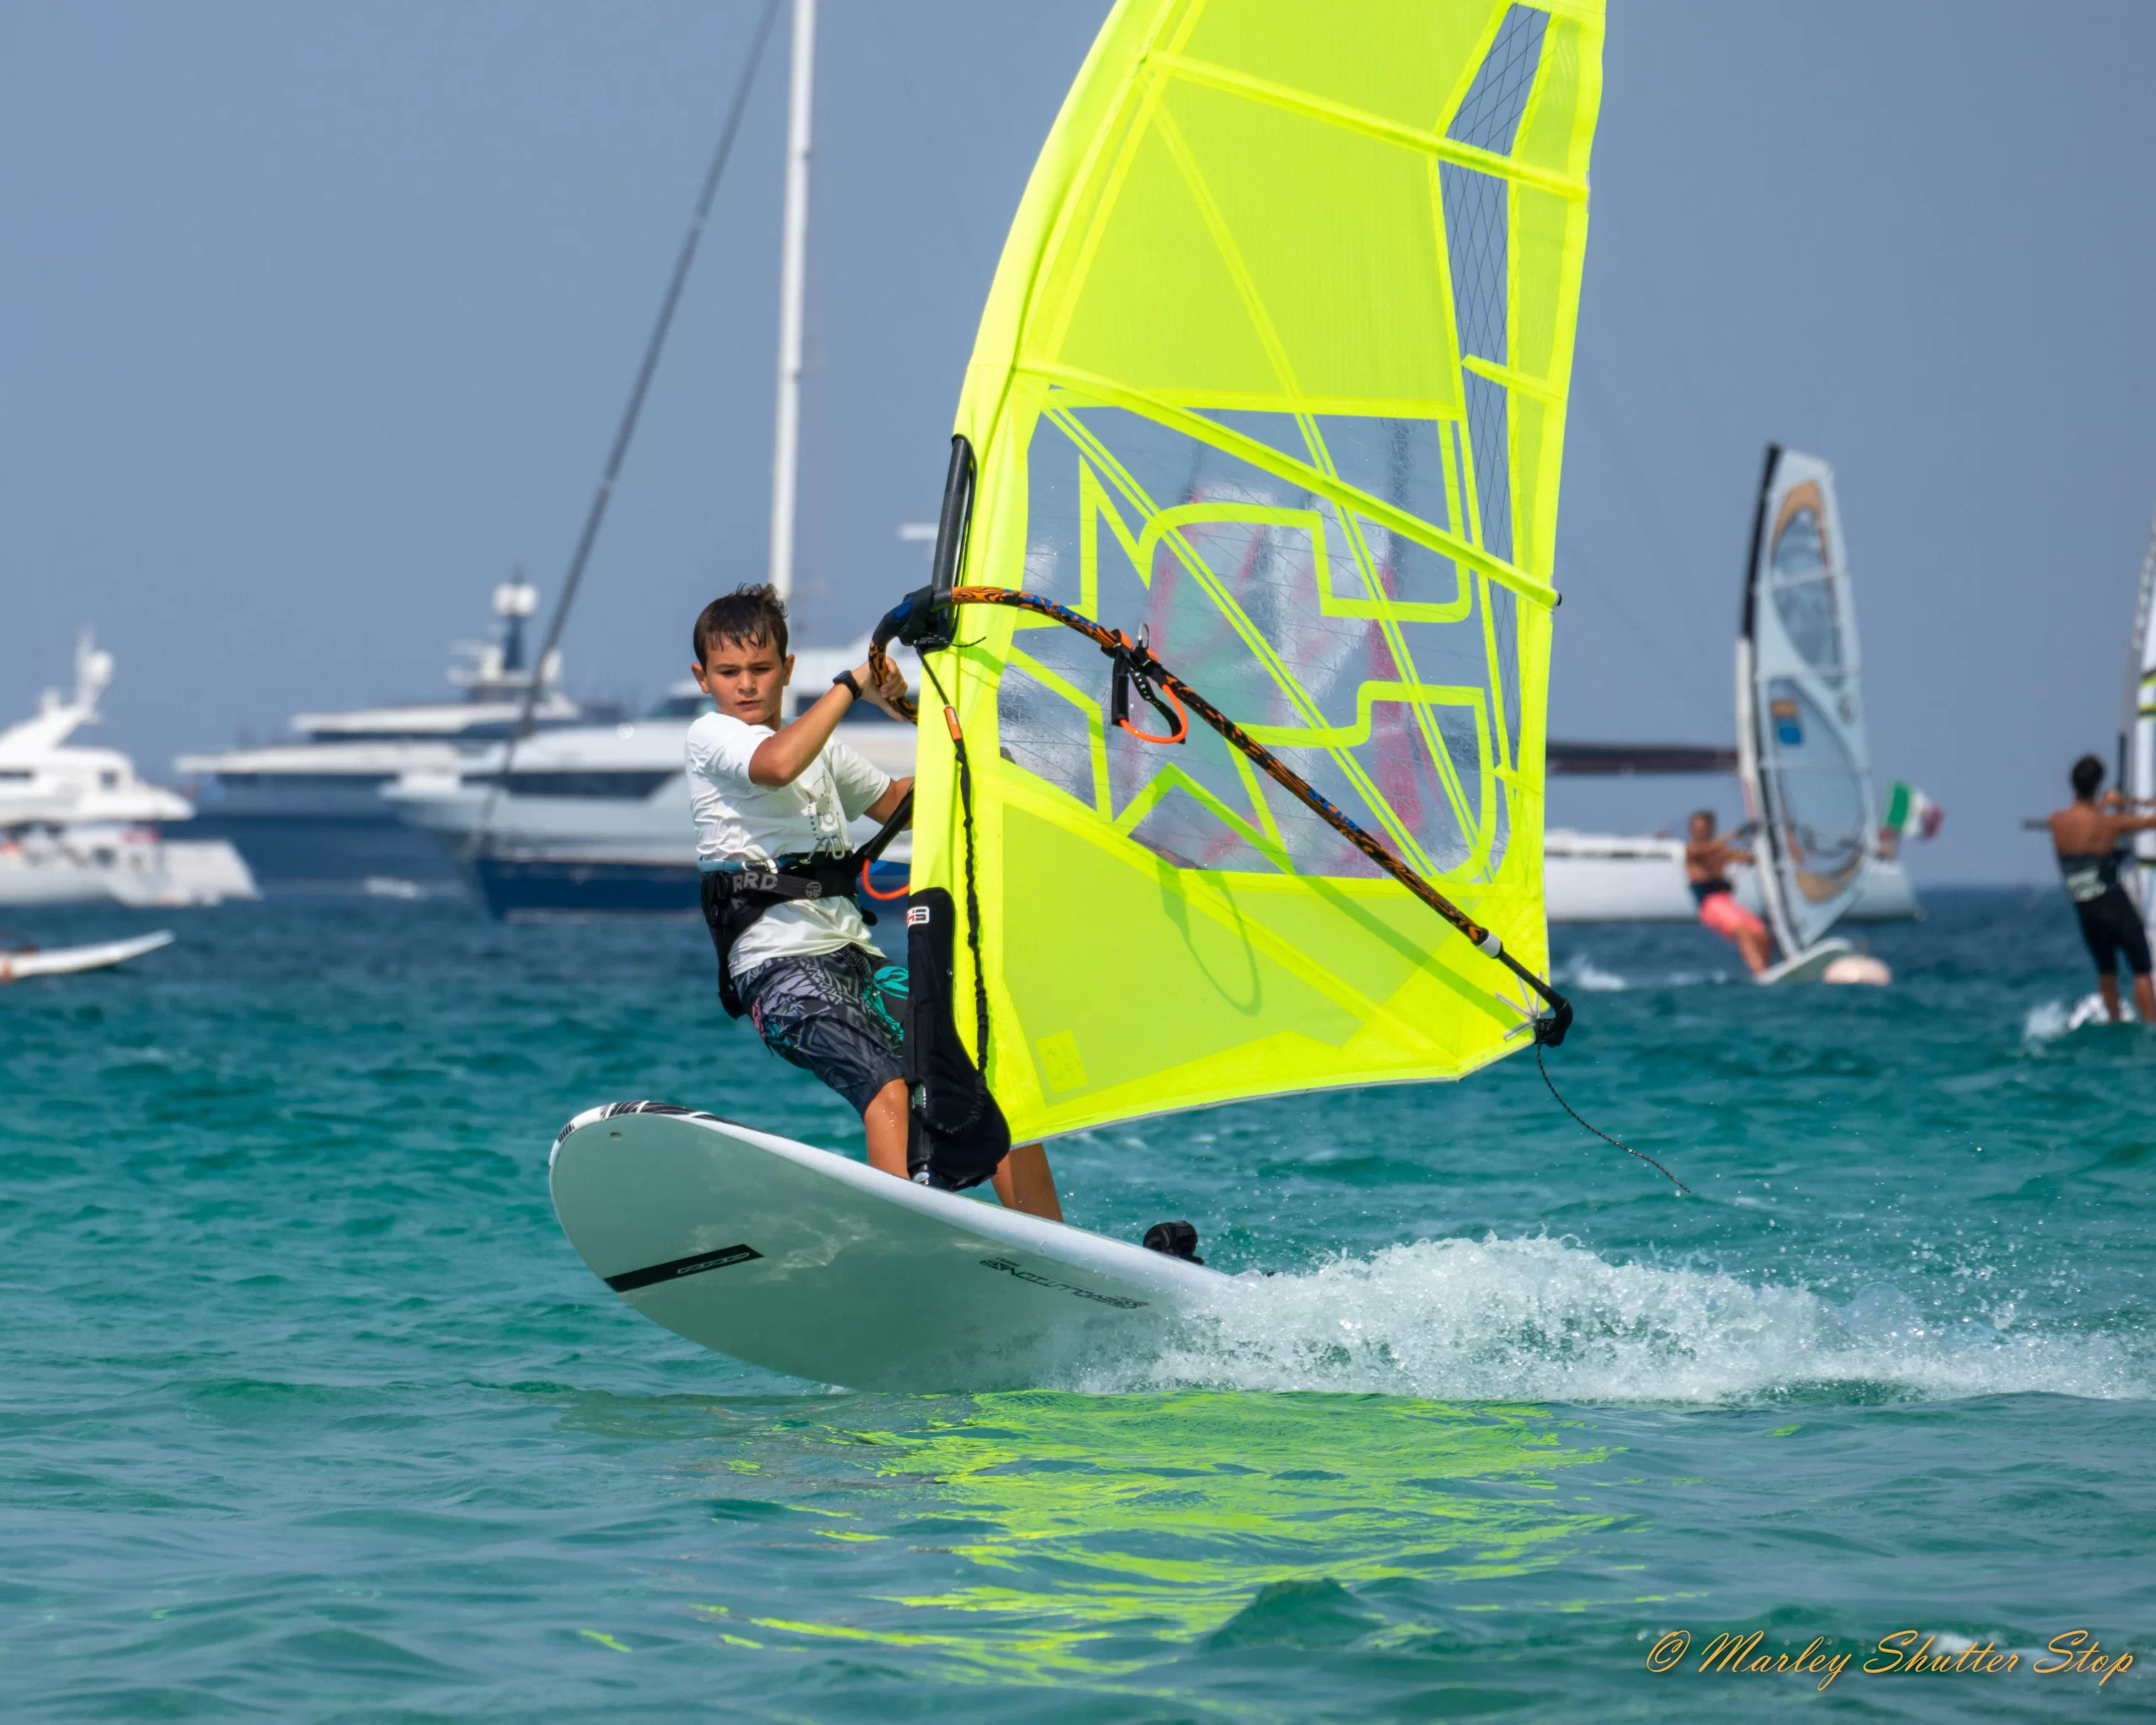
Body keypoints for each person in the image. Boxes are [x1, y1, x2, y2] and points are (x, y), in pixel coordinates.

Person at [684, 583, 1063, 1218]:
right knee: (887, 1086)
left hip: (852, 955)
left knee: (983, 1072)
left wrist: (996, 758)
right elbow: (776, 764)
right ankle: (915, 1233)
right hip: (778, 971)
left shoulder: (821, 749)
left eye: (760, 669)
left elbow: (898, 804)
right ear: (703, 679)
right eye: (729, 673)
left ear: (786, 670)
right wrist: (854, 683)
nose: (746, 685)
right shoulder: (712, 736)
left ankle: (1053, 1243)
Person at [2047, 753, 2156, 1023]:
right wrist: (2123, 802)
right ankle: (2152, 1024)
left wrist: (2103, 805)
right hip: (2113, 902)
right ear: (2098, 786)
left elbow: (2084, 822)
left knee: (2106, 970)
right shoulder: (2108, 822)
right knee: (2142, 967)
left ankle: (2114, 1022)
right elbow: (2149, 821)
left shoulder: (2056, 821)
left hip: (2085, 908)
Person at [1684, 809, 1772, 976]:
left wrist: (1761, 850)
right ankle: (1759, 972)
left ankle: (1767, 971)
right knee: (1742, 931)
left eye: (1705, 828)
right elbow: (1708, 849)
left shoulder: (1721, 852)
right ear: (1691, 830)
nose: (1701, 832)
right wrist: (1738, 833)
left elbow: (1745, 857)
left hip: (1727, 902)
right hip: (1710, 905)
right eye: (1698, 828)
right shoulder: (1692, 850)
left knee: (1762, 934)